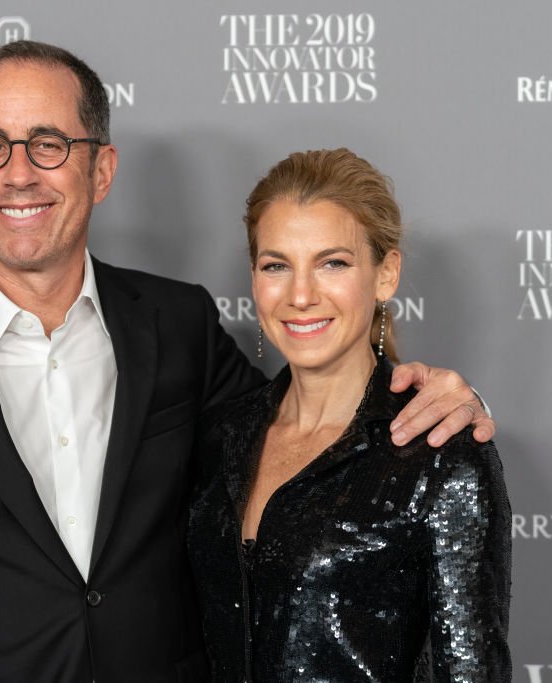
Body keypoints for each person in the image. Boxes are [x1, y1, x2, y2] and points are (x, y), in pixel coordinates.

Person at [0, 40, 495, 682]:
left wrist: (449, 400)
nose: (18, 173)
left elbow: (307, 435)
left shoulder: (176, 323)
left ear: (102, 168)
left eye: (49, 143)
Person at [187, 149, 511, 682]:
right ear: (254, 278)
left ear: (386, 275)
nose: (300, 295)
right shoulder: (223, 434)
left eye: (332, 263)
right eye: (276, 265)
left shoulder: (440, 451)